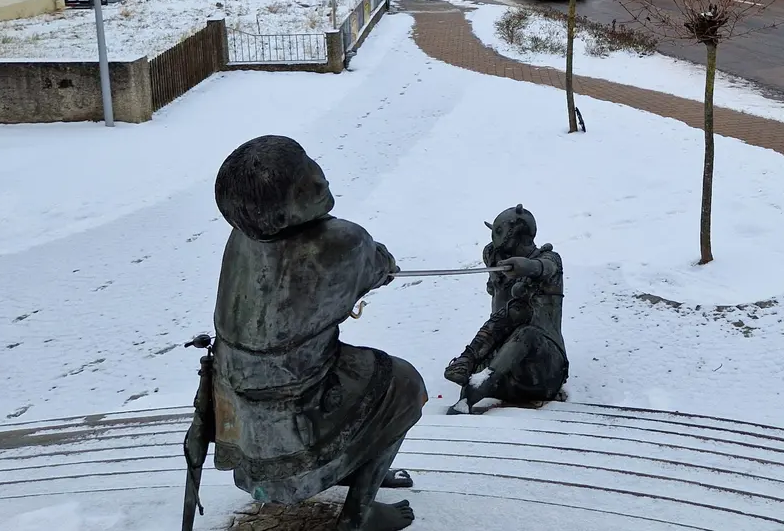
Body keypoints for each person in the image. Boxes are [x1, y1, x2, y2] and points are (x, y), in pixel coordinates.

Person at [210, 136, 424, 531]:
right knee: (405, 385)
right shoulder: (340, 241)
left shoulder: (241, 239)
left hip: (233, 392)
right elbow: (380, 265)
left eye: (307, 160)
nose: (319, 177)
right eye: (302, 178)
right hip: (300, 395)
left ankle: (357, 464)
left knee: (366, 373)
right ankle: (358, 514)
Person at [444, 205, 567, 412]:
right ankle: (469, 363)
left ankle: (474, 392)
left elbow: (544, 267)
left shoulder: (549, 259)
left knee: (526, 331)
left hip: (543, 372)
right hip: (504, 373)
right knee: (508, 315)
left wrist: (526, 267)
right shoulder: (496, 259)